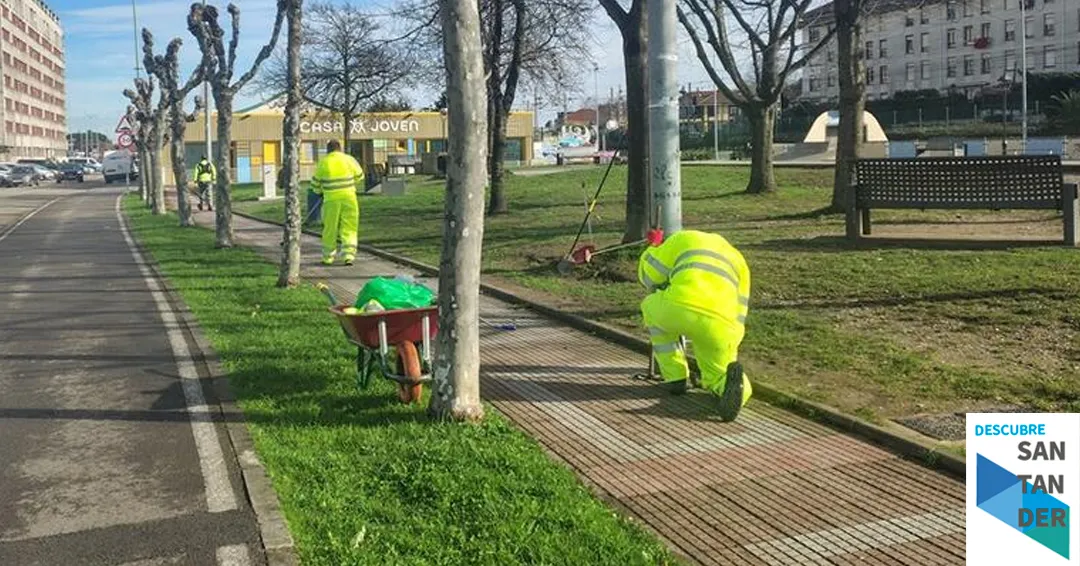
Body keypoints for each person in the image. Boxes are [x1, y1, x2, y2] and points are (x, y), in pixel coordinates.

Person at [637, 228, 753, 422]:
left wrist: (653, 247)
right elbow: (741, 306)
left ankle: (675, 377)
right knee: (717, 372)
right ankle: (734, 388)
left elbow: (649, 276)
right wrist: (732, 340)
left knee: (650, 306)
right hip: (721, 323)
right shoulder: (738, 259)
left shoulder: (682, 238)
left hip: (678, 307)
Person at [310, 140, 365, 265]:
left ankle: (328, 257)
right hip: (349, 198)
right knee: (350, 227)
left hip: (331, 200)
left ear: (328, 150)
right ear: (340, 148)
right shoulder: (349, 160)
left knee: (330, 228)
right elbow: (360, 176)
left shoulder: (324, 162)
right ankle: (349, 255)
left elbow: (315, 184)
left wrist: (320, 190)